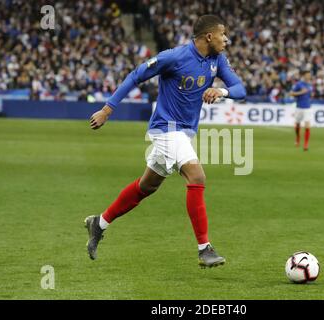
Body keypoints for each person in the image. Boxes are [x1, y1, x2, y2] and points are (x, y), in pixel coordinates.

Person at [85, 15, 246, 268]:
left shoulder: (217, 60)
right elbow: (135, 76)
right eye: (223, 34)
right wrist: (107, 109)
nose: (226, 39)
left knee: (146, 186)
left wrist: (222, 91)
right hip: (166, 129)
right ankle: (205, 249)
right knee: (197, 176)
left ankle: (99, 222)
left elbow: (241, 89)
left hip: (185, 132)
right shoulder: (175, 57)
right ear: (208, 36)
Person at [290, 69, 313, 151]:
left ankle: (306, 144)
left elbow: (310, 95)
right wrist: (301, 92)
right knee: (297, 124)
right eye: (308, 75)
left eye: (310, 75)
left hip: (307, 107)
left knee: (307, 125)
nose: (309, 76)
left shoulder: (310, 85)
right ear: (304, 76)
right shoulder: (299, 84)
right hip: (299, 107)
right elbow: (291, 93)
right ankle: (297, 138)